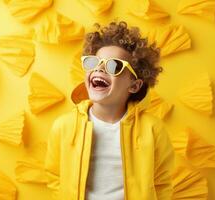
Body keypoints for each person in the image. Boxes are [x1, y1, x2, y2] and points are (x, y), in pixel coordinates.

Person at [44, 21, 175, 200]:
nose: (99, 68)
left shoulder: (153, 130)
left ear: (135, 85)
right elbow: (55, 178)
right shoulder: (63, 126)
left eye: (114, 65)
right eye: (93, 62)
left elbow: (161, 184)